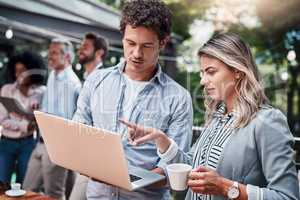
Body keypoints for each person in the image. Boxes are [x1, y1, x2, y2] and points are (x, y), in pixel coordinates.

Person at [120, 33, 300, 200]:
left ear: (237, 70)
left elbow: (287, 196)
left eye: (211, 72)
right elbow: (193, 168)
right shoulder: (217, 117)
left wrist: (225, 186)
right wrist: (163, 141)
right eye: (202, 72)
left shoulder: (267, 121)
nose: (203, 81)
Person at [73, 0, 193, 199]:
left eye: (146, 46)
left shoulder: (179, 98)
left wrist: (133, 180)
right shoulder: (96, 81)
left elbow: (177, 166)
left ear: (162, 43)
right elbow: (78, 129)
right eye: (130, 43)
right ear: (122, 38)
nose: (136, 54)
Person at [23, 38, 81, 200]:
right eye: (49, 52)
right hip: (42, 142)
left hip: (56, 145)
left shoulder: (71, 83)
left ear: (67, 57)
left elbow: (65, 120)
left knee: (53, 194)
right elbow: (52, 109)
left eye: (54, 53)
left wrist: (41, 114)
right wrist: (39, 109)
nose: (50, 56)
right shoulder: (53, 75)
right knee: (27, 189)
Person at [69, 32, 109, 200]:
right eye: (80, 46)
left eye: (85, 47)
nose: (80, 50)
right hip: (84, 153)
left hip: (96, 157)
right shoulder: (86, 79)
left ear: (99, 53)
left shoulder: (105, 81)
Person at [0, 51, 46, 184]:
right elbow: (2, 120)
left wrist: (33, 121)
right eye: (16, 71)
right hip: (6, 143)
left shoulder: (41, 92)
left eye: (23, 71)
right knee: (2, 183)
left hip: (28, 143)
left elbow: (41, 118)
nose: (18, 75)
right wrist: (26, 125)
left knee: (24, 183)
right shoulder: (7, 90)